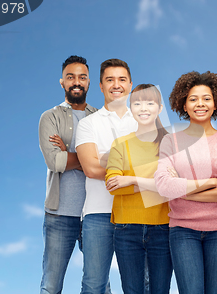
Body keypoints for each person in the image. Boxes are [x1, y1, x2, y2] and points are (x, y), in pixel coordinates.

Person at [154, 71, 217, 294]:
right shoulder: (171, 140)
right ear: (183, 105)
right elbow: (164, 185)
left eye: (206, 98)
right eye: (193, 99)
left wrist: (185, 190)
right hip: (183, 229)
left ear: (216, 104)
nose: (200, 104)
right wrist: (211, 182)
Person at [76, 59, 138, 294]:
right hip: (98, 213)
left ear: (130, 84)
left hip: (136, 213)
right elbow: (90, 168)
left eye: (122, 79)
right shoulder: (88, 124)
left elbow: (153, 168)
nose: (116, 85)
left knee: (139, 285)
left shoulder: (145, 123)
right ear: (101, 86)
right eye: (109, 80)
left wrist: (106, 157)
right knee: (94, 285)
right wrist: (130, 172)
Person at [105, 84, 172, 294]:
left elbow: (172, 186)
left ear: (160, 108)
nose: (143, 108)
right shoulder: (120, 143)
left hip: (164, 226)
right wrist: (155, 181)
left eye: (150, 103)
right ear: (130, 108)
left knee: (160, 290)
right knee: (132, 290)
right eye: (137, 103)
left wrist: (131, 179)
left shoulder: (171, 144)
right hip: (126, 228)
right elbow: (114, 185)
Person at [38, 55, 97, 294]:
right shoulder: (49, 117)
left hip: (95, 215)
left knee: (99, 286)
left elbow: (110, 161)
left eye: (82, 77)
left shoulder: (101, 118)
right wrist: (88, 160)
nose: (76, 82)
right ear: (61, 82)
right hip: (59, 215)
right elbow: (55, 161)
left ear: (89, 82)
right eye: (70, 77)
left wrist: (69, 153)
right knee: (51, 287)